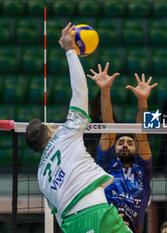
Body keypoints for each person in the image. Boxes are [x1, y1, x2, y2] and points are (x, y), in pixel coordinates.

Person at [25, 23, 131, 233]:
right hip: (97, 212)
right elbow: (80, 92)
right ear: (49, 131)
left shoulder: (41, 176)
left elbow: (57, 213)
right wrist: (71, 51)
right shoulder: (65, 134)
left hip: (72, 225)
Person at [88, 67, 157, 233]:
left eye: (129, 143)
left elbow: (142, 134)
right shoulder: (106, 166)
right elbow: (109, 127)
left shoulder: (143, 169)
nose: (125, 145)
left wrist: (143, 100)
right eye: (120, 143)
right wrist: (105, 90)